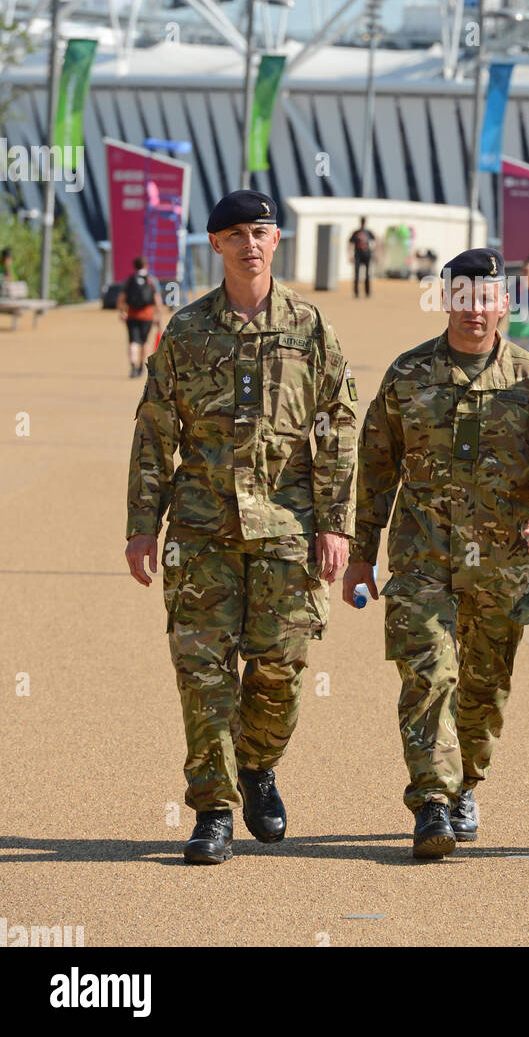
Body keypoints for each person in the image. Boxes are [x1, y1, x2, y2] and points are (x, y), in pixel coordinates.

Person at [124, 190, 358, 865]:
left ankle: (257, 766)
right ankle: (213, 810)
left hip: (288, 529)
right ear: (217, 246)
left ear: (275, 241)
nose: (249, 244)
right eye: (235, 234)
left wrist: (336, 524)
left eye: (259, 231)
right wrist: (144, 525)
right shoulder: (187, 331)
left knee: (279, 671)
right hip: (200, 531)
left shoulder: (311, 329)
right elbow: (154, 432)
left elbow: (337, 428)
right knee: (203, 676)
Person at [342, 247, 529, 859]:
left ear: (505, 303)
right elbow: (375, 467)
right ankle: (431, 802)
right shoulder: (408, 374)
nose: (475, 310)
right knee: (428, 674)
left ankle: (466, 780)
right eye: (463, 297)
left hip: (501, 566)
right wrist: (360, 555)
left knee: (483, 687)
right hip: (423, 558)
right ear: (445, 298)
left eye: (486, 298)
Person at [117, 257, 165, 378]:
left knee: (133, 341)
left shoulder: (130, 280)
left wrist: (122, 312)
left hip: (132, 315)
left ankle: (133, 365)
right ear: (146, 266)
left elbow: (121, 298)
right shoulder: (151, 280)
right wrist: (159, 315)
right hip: (147, 315)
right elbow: (157, 300)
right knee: (144, 341)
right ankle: (140, 367)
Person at [349, 216, 376, 298]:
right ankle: (356, 292)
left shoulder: (368, 232)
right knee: (357, 274)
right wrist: (350, 255)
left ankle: (367, 292)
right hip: (358, 255)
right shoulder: (356, 232)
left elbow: (375, 242)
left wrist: (374, 253)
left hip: (367, 254)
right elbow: (350, 243)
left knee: (367, 274)